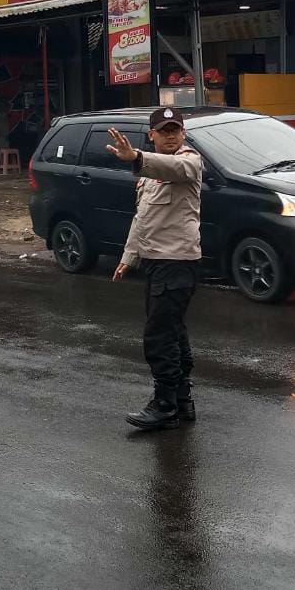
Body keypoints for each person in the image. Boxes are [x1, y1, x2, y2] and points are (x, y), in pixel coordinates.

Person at [107, 107, 203, 430]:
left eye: (176, 129)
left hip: (178, 263)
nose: (171, 135)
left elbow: (174, 167)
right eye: (164, 130)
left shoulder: (190, 162)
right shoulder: (149, 175)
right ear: (152, 135)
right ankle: (181, 400)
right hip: (156, 262)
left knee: (159, 336)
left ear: (184, 133)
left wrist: (136, 157)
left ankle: (164, 405)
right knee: (174, 331)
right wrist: (127, 257)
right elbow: (143, 218)